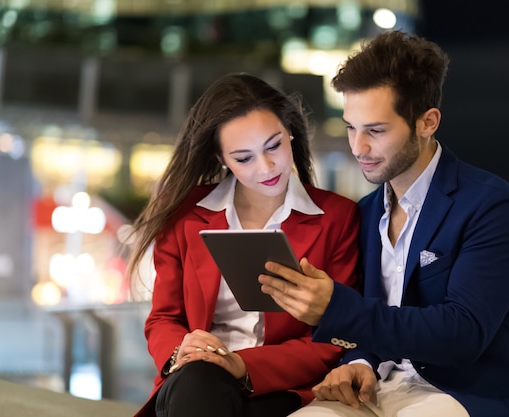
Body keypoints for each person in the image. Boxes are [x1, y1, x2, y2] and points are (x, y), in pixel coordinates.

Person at [259, 30, 509, 417]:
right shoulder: (369, 210)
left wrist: (335, 307)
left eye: (375, 130)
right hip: (379, 389)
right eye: (351, 127)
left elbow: (462, 334)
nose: (358, 147)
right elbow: (379, 318)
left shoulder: (491, 205)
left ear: (427, 122)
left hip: (474, 393)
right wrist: (359, 362)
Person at [127, 73, 360, 417]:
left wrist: (241, 364)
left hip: (282, 385)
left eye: (273, 146)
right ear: (221, 158)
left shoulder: (338, 217)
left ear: (290, 133)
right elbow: (164, 317)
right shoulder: (185, 215)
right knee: (200, 383)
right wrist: (182, 350)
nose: (266, 167)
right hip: (197, 379)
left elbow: (334, 337)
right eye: (243, 158)